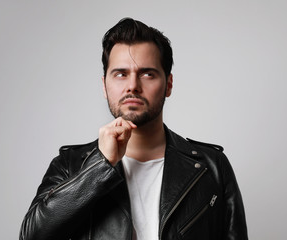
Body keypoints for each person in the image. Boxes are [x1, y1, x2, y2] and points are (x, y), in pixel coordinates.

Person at [20, 18, 248, 240]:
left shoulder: (212, 167)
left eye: (147, 74)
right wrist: (101, 165)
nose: (132, 86)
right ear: (104, 85)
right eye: (120, 74)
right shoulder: (70, 166)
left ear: (168, 84)